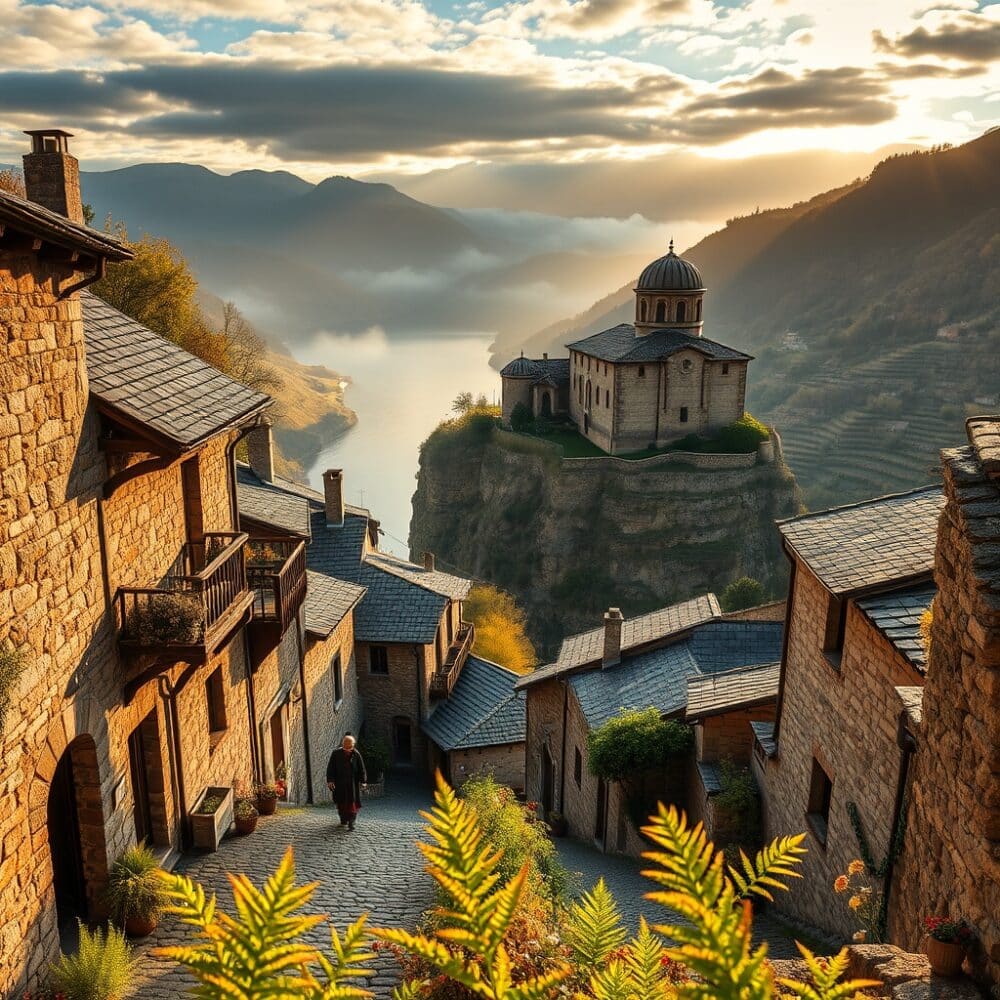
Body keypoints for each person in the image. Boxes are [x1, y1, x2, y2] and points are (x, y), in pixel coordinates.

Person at [326, 734, 367, 831]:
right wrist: (330, 780)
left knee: (352, 803)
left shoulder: (356, 754)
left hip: (352, 784)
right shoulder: (336, 753)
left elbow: (362, 769)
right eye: (345, 746)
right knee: (341, 803)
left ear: (353, 745)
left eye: (349, 746)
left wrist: (363, 781)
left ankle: (351, 822)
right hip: (340, 783)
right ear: (343, 744)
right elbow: (330, 768)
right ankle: (343, 819)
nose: (347, 748)